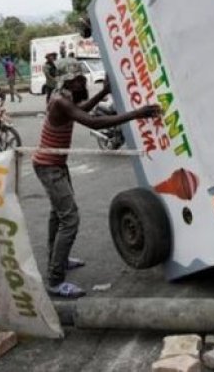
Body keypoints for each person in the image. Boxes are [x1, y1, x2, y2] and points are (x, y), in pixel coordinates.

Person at [33, 65, 161, 297]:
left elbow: (81, 109)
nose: (82, 83)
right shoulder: (60, 101)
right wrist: (136, 114)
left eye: (83, 79)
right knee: (69, 219)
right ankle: (55, 279)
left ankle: (58, 260)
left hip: (55, 165)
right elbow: (92, 122)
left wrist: (103, 93)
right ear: (66, 81)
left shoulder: (64, 97)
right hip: (49, 166)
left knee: (58, 214)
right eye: (78, 80)